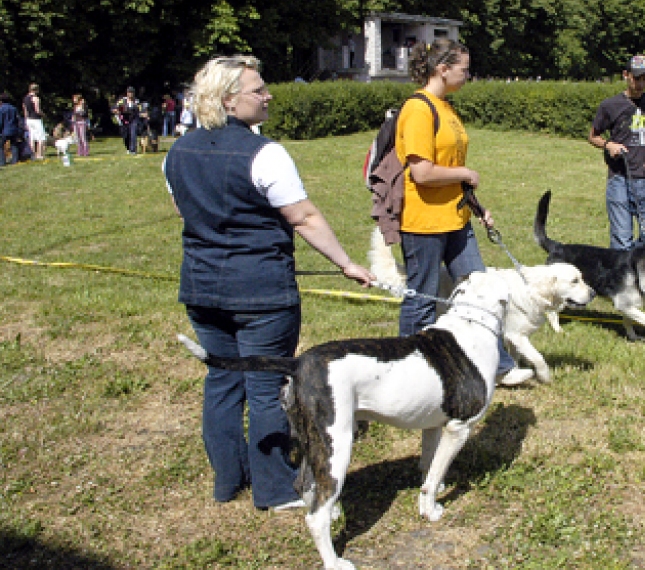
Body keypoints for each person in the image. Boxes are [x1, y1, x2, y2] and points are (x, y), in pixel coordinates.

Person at [163, 54, 374, 510]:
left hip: (201, 288)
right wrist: (346, 264)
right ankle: (275, 489)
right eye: (258, 90)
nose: (268, 95)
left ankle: (228, 480)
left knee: (221, 381)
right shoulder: (266, 154)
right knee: (265, 389)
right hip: (261, 292)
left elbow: (184, 210)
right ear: (227, 100)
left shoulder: (176, 152)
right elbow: (303, 217)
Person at [394, 39, 527, 385]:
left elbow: (449, 165)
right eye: (464, 69)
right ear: (443, 69)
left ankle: (498, 365)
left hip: (457, 218)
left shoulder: (446, 107)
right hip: (424, 223)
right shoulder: (419, 109)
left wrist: (476, 206)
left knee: (480, 291)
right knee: (422, 299)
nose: (468, 75)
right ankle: (406, 369)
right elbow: (421, 172)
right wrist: (465, 174)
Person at [588, 54, 645, 254]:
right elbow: (593, 136)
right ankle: (622, 280)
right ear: (626, 75)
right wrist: (609, 145)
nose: (641, 83)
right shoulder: (610, 105)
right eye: (637, 78)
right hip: (619, 179)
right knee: (621, 243)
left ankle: (638, 274)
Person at [23, 83, 46, 161]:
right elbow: (37, 110)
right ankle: (39, 154)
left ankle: (32, 154)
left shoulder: (25, 98)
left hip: (29, 119)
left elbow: (25, 111)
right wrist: (43, 115)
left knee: (32, 137)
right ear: (36, 90)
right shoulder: (35, 98)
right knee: (41, 137)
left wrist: (26, 120)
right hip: (36, 119)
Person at [116, 87, 141, 154]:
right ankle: (128, 148)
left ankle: (133, 150)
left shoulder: (136, 101)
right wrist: (116, 110)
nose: (130, 94)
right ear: (127, 93)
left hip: (133, 119)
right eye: (129, 92)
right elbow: (116, 107)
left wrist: (142, 114)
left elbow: (140, 109)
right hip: (124, 120)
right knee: (125, 135)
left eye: (132, 92)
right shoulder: (122, 100)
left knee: (133, 133)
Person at [0, 92, 21, 166]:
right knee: (14, 145)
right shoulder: (14, 108)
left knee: (1, 146)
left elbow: (1, 121)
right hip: (14, 129)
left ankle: (2, 162)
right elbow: (18, 119)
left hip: (5, 130)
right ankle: (14, 161)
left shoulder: (1, 109)